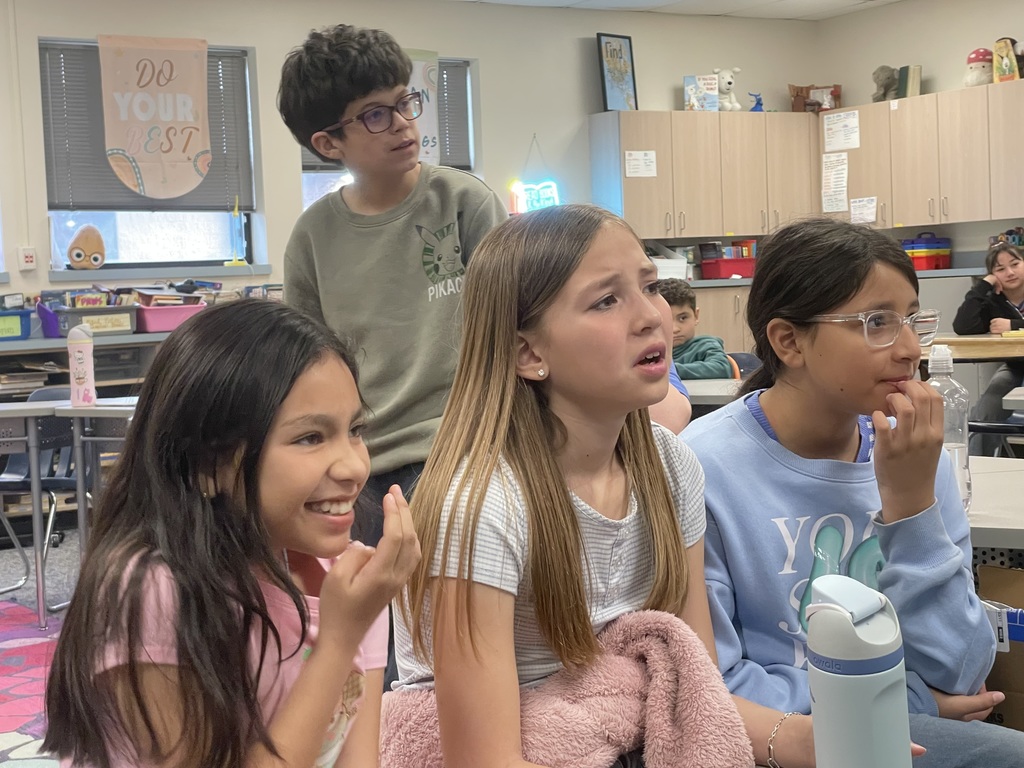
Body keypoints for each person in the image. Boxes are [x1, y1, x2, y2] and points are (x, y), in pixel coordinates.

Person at [390, 204, 737, 767]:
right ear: (529, 353)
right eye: (606, 300)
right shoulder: (483, 506)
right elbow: (485, 761)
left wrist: (802, 736)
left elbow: (697, 691)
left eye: (649, 286)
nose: (653, 316)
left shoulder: (672, 465)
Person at [682, 218, 1024, 768]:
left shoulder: (911, 451)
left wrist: (911, 507)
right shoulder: (703, 466)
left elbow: (962, 672)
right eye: (877, 323)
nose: (910, 348)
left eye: (912, 319)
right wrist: (907, 701)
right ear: (788, 341)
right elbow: (714, 684)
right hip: (776, 745)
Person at [43, 300, 421, 768]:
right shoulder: (151, 590)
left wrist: (353, 624)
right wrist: (340, 640)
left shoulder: (345, 580)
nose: (353, 466)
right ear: (209, 462)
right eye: (310, 437)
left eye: (355, 429)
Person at [278, 24, 508, 546]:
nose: (404, 125)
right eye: (376, 115)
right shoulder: (313, 237)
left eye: (405, 102)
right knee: (377, 615)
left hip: (465, 451)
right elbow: (305, 364)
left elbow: (516, 324)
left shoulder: (464, 203)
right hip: (361, 466)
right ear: (328, 142)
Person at [952, 242, 1024, 456]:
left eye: (1015, 264)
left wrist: (1013, 325)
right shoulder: (993, 302)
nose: (1009, 272)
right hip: (1016, 367)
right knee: (985, 410)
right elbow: (963, 326)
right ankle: (976, 464)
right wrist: (984, 285)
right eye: (1000, 269)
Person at [656, 277, 733, 380]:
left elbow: (722, 368)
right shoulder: (652, 351)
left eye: (683, 318)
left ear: (696, 316)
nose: (675, 329)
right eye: (666, 320)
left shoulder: (706, 345)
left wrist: (670, 370)